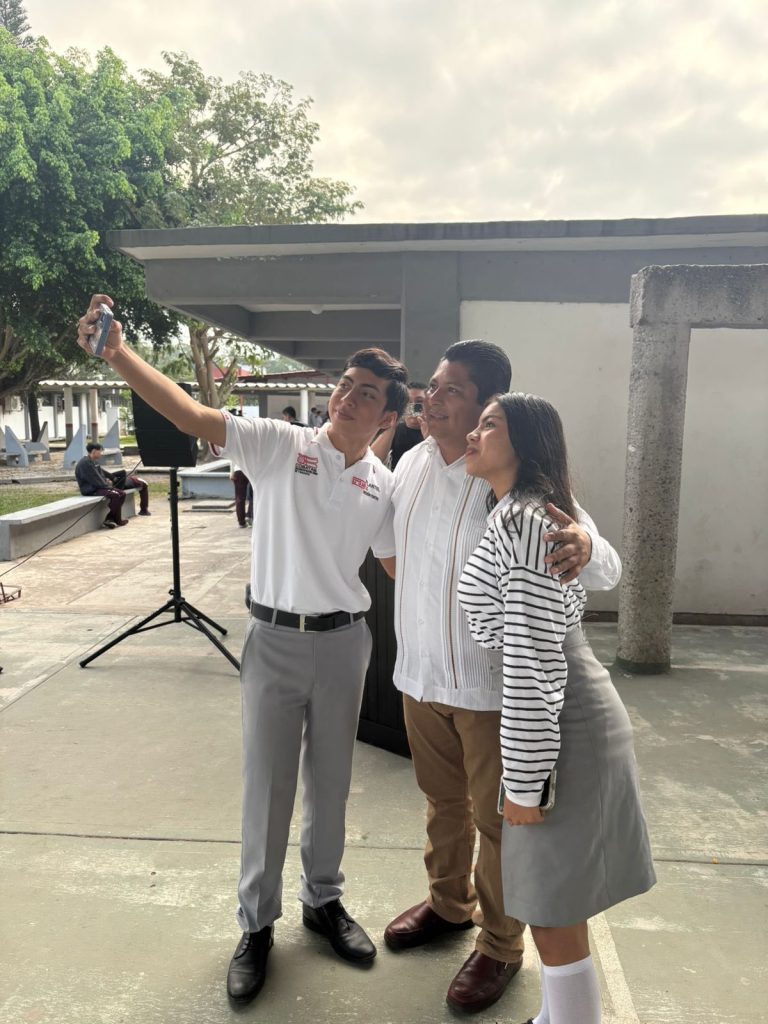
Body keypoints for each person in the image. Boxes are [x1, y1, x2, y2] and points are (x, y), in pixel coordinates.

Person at [76, 294, 408, 1006]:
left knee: (332, 782)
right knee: (268, 788)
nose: (349, 396)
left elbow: (393, 563)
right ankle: (257, 924)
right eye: (346, 384)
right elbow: (191, 416)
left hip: (345, 645)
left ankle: (324, 900)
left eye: (367, 393)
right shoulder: (280, 445)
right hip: (276, 640)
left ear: (386, 417)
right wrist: (120, 355)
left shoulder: (382, 485)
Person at [381, 341, 621, 1015]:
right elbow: (391, 552)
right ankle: (447, 904)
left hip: (492, 690)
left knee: (501, 823)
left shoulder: (516, 484)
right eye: (432, 386)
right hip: (420, 677)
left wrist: (587, 545)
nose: (432, 398)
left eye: (452, 390)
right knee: (442, 805)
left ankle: (500, 944)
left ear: (489, 406)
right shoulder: (410, 464)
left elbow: (604, 566)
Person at [457, 393, 656, 1024]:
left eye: (489, 424)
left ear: (526, 441)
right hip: (568, 708)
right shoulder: (530, 507)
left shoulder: (525, 519)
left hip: (561, 717)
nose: (473, 434)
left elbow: (533, 659)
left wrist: (525, 782)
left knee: (549, 905)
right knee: (558, 897)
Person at [74, 442, 151, 527]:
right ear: (94, 451)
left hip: (98, 487)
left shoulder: (93, 461)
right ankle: (112, 519)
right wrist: (107, 484)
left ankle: (113, 519)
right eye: (100, 451)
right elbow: (95, 480)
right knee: (117, 494)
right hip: (91, 490)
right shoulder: (86, 463)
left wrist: (109, 479)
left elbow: (101, 474)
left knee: (122, 493)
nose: (101, 453)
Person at [371, 382, 428, 468]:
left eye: (419, 402)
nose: (413, 406)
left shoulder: (436, 432)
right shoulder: (394, 429)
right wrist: (393, 424)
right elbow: (373, 461)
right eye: (408, 402)